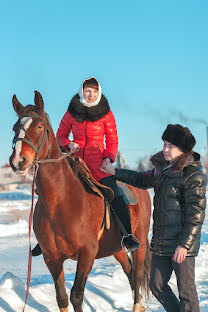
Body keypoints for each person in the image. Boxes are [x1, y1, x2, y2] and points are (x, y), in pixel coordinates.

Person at [100, 124, 207, 312]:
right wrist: (115, 172)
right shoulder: (161, 171)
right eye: (164, 144)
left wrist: (184, 244)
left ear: (182, 149)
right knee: (156, 285)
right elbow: (140, 179)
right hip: (161, 242)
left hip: (182, 244)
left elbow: (195, 216)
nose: (165, 149)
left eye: (170, 146)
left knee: (186, 292)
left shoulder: (193, 175)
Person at [32, 77, 139, 257]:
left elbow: (112, 140)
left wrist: (108, 158)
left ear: (99, 93)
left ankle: (127, 236)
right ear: (82, 91)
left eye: (94, 92)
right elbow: (59, 136)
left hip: (98, 164)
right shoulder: (72, 111)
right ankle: (43, 237)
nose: (91, 95)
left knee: (116, 194)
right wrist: (68, 144)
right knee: (50, 192)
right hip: (74, 163)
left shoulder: (106, 113)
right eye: (88, 91)